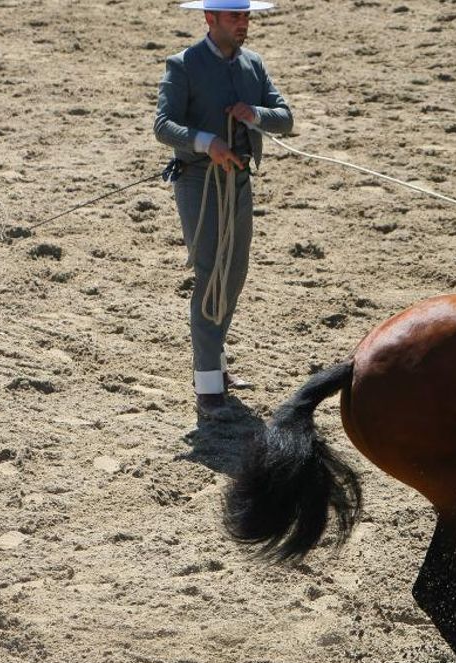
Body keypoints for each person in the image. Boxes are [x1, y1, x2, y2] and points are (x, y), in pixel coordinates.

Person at [153, 0, 293, 420]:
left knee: (233, 274)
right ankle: (208, 382)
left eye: (246, 16)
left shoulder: (254, 64)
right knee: (211, 273)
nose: (243, 23)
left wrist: (257, 114)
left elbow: (284, 118)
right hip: (199, 181)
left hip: (240, 181)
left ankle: (215, 361)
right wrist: (206, 142)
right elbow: (163, 125)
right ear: (210, 19)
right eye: (235, 16)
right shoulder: (183, 65)